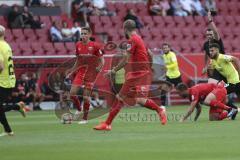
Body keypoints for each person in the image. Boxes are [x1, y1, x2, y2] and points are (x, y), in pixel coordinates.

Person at [94, 20, 167, 131]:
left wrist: (113, 70)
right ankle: (107, 124)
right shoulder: (139, 38)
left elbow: (126, 60)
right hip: (136, 74)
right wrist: (149, 66)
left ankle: (159, 110)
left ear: (124, 29)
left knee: (139, 100)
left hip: (140, 75)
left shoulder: (132, 40)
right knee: (123, 98)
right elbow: (150, 54)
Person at [66, 27, 104, 124]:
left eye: (85, 33)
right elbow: (78, 61)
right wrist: (71, 71)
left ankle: (85, 118)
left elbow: (102, 60)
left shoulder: (95, 46)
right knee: (72, 93)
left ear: (90, 34)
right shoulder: (78, 45)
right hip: (81, 72)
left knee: (86, 97)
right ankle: (79, 109)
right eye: (82, 33)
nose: (83, 35)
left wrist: (100, 67)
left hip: (91, 73)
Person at [0, 25, 27, 137]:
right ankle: (17, 107)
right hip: (9, 80)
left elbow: (0, 67)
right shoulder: (6, 45)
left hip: (2, 81)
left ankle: (8, 130)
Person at [202, 11, 225, 83]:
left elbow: (216, 31)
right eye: (207, 35)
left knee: (229, 88)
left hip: (224, 66)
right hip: (215, 68)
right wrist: (205, 66)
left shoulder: (217, 41)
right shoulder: (205, 44)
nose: (209, 36)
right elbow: (206, 55)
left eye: (210, 34)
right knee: (212, 85)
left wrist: (210, 19)